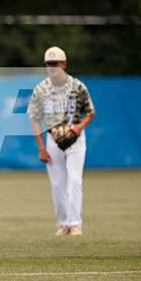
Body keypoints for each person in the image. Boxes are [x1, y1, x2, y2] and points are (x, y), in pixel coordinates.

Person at [27, 46, 96, 236]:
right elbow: (34, 118)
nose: (52, 67)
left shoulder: (77, 86)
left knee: (74, 180)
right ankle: (64, 223)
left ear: (64, 64)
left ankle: (76, 224)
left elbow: (91, 113)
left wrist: (77, 128)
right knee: (57, 183)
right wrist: (41, 148)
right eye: (49, 64)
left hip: (76, 139)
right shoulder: (41, 89)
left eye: (55, 63)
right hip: (53, 139)